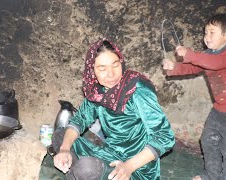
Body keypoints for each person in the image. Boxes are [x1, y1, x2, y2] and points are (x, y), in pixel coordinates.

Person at [51, 38, 175, 180]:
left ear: (121, 63)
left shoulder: (137, 90)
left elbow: (165, 137)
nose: (111, 74)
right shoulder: (97, 91)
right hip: (109, 154)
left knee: (87, 168)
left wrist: (128, 167)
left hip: (137, 168)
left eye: (115, 66)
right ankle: (75, 170)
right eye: (102, 69)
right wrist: (65, 149)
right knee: (61, 135)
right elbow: (80, 119)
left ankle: (78, 173)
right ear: (92, 71)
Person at [162, 14, 226, 180]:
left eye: (212, 32)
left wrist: (190, 54)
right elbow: (193, 68)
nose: (206, 37)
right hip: (219, 110)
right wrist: (174, 67)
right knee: (208, 141)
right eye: (205, 32)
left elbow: (215, 63)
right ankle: (211, 175)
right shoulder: (208, 54)